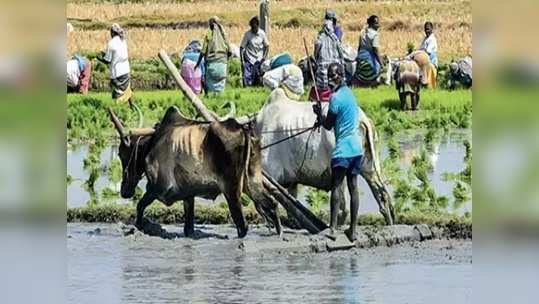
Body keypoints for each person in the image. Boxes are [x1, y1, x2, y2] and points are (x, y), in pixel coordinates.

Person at [313, 63, 363, 242]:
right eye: (328, 76)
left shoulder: (335, 98)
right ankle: (353, 230)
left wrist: (319, 114)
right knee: (353, 188)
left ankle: (332, 228)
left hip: (343, 149)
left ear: (341, 76)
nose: (330, 80)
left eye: (333, 76)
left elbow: (327, 125)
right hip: (357, 149)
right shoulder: (350, 94)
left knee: (336, 186)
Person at [97, 23, 132, 103]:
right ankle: (128, 108)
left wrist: (99, 58)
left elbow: (107, 60)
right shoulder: (123, 40)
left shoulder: (111, 43)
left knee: (118, 94)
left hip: (117, 73)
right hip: (126, 71)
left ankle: (118, 109)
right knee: (126, 93)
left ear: (112, 33)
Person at [195, 16, 231, 93]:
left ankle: (210, 101)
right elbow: (230, 51)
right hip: (222, 66)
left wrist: (197, 64)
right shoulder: (223, 34)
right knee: (221, 90)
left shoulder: (209, 34)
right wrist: (226, 60)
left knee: (210, 89)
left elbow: (203, 51)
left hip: (211, 65)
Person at [312, 19, 344, 101]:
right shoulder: (335, 39)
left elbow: (315, 56)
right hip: (334, 75)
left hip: (322, 77)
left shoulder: (319, 39)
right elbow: (341, 55)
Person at [240, 16, 269, 86]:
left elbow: (267, 46)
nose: (253, 29)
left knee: (258, 78)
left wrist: (264, 58)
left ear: (258, 26)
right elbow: (241, 47)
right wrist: (242, 61)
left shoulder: (262, 34)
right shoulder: (247, 34)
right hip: (249, 59)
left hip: (259, 59)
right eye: (252, 27)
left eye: (255, 27)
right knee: (247, 78)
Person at [355, 15, 382, 83]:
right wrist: (381, 64)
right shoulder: (375, 34)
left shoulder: (362, 33)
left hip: (361, 68)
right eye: (376, 23)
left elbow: (359, 47)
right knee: (380, 65)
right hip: (370, 68)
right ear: (372, 24)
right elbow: (375, 50)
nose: (378, 25)